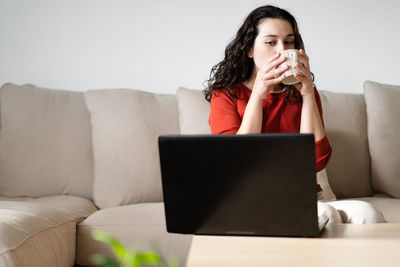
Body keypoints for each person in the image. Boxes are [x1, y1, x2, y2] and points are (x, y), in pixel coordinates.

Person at [203, 5, 385, 224]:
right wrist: (259, 93)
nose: (281, 50)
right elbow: (236, 162)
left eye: (289, 42)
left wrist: (307, 92)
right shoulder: (227, 93)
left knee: (369, 214)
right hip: (249, 197)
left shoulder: (303, 94)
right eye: (271, 42)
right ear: (249, 50)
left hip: (303, 194)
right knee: (325, 215)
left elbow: (317, 161)